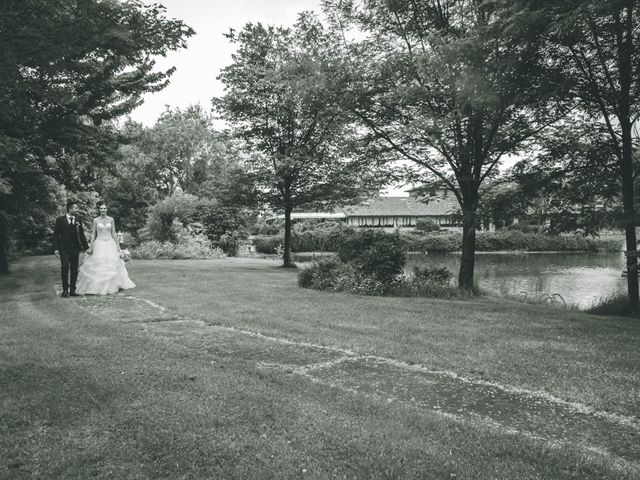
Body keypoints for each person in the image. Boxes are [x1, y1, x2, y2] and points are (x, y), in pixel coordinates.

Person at [76, 202, 135, 295]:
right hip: (99, 243)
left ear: (106, 210)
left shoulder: (111, 219)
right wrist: (90, 247)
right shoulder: (95, 220)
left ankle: (113, 285)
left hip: (110, 243)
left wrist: (118, 247)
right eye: (101, 208)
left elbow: (114, 233)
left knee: (111, 263)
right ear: (99, 210)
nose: (103, 210)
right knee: (99, 263)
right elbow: (93, 234)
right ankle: (97, 286)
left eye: (104, 208)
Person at [53, 199, 90, 297]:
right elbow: (56, 235)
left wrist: (87, 247)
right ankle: (65, 290)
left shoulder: (78, 220)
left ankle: (72, 290)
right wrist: (56, 248)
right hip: (64, 248)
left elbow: (81, 235)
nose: (77, 209)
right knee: (65, 267)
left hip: (75, 248)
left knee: (74, 269)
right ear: (70, 209)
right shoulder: (60, 219)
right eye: (76, 208)